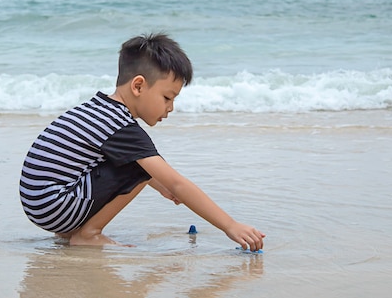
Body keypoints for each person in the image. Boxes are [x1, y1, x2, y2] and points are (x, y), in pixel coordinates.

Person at [19, 33, 265, 250]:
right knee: (141, 164)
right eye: (167, 97)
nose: (171, 108)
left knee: (141, 164)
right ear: (138, 86)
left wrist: (159, 186)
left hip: (40, 204)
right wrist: (230, 225)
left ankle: (74, 229)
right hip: (54, 207)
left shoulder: (100, 108)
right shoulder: (121, 126)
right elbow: (177, 183)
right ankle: (88, 234)